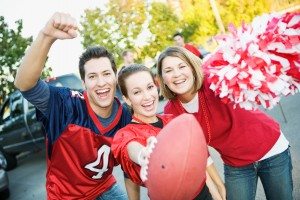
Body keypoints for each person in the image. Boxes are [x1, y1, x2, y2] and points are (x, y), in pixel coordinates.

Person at [14, 12, 134, 199]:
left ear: (115, 76)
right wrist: (47, 36)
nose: (101, 82)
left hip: (104, 186)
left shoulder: (124, 113)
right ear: (84, 83)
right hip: (66, 195)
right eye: (92, 76)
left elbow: (130, 164)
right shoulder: (66, 105)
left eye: (106, 73)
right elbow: (24, 84)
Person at [156, 46, 293, 200]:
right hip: (236, 164)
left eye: (182, 66)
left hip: (271, 149)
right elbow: (196, 152)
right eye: (168, 70)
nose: (176, 74)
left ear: (193, 68)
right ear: (162, 79)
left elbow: (241, 63)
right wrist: (218, 187)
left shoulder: (214, 80)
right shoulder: (171, 112)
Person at [111, 64, 226, 200]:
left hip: (203, 194)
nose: (147, 96)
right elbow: (130, 147)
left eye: (149, 87)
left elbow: (199, 166)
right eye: (137, 92)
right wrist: (144, 154)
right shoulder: (126, 134)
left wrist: (217, 195)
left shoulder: (173, 120)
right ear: (127, 99)